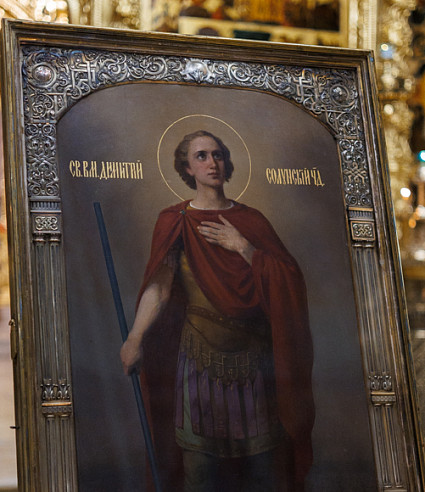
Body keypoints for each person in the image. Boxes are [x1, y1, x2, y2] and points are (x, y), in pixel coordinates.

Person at [120, 130, 314, 491]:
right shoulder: (177, 220)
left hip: (253, 359)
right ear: (187, 168)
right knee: (200, 467)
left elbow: (288, 280)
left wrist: (244, 247)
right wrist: (135, 338)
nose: (212, 163)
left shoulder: (252, 221)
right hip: (199, 358)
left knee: (262, 466)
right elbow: (159, 288)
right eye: (202, 156)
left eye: (218, 155)